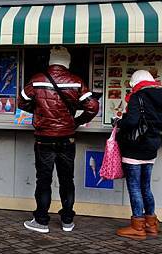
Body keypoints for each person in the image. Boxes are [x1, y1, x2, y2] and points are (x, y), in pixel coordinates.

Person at [18, 46, 99, 233]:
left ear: (50, 61)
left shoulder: (37, 80)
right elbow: (93, 106)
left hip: (43, 138)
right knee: (67, 180)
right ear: (67, 62)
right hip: (67, 138)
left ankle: (41, 221)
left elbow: (21, 102)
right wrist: (77, 121)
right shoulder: (77, 82)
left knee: (43, 180)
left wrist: (39, 112)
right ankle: (67, 221)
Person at [116, 70, 162, 240]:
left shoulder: (138, 96)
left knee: (134, 186)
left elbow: (132, 122)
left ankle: (138, 226)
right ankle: (151, 224)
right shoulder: (159, 95)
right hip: (152, 146)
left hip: (135, 147)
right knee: (146, 186)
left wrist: (120, 122)